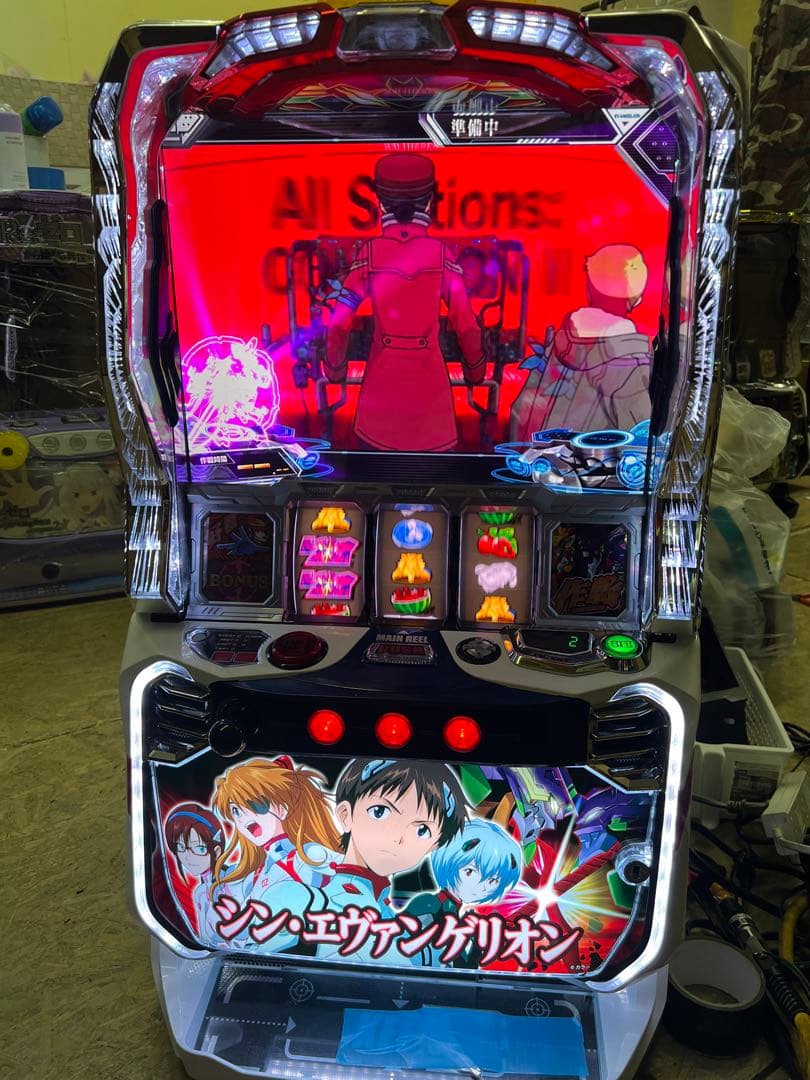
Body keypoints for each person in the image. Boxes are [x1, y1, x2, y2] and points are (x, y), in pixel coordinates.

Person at [324, 153, 485, 451]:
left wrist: (335, 371)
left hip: (379, 404)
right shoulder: (441, 255)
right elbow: (467, 326)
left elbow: (338, 324)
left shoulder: (370, 254)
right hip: (432, 405)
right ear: (429, 203)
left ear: (380, 203)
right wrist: (476, 373)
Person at [315, 757, 468, 961]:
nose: (398, 837)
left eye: (422, 830)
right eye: (380, 812)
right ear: (345, 815)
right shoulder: (319, 900)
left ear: (433, 846)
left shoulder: (382, 904)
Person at [510, 243, 651, 439]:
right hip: (596, 457)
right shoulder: (630, 360)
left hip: (538, 454)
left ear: (589, 288)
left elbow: (521, 411)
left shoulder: (557, 346)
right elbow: (639, 434)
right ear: (636, 293)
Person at [211, 756, 341, 952]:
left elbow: (348, 882)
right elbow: (242, 926)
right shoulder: (256, 874)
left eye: (255, 804)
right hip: (261, 957)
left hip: (310, 950)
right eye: (236, 811)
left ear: (282, 808)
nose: (245, 817)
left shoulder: (310, 855)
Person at [404, 817, 522, 967]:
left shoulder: (456, 914)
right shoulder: (430, 903)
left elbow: (464, 970)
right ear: (449, 860)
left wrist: (477, 943)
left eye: (493, 880)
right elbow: (402, 944)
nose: (482, 886)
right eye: (470, 871)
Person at [164, 803, 227, 946]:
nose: (188, 856)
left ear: (217, 851)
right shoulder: (200, 893)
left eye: (200, 848)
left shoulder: (233, 881)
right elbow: (204, 942)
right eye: (180, 847)